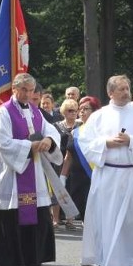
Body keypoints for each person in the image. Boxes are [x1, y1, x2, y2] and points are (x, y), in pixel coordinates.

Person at [0, 73, 62, 266]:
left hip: (33, 173)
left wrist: (49, 141)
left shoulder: (36, 111)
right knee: (10, 221)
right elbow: (3, 143)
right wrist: (30, 146)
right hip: (11, 176)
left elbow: (50, 130)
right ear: (14, 90)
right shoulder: (4, 112)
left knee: (38, 220)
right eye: (23, 89)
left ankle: (33, 262)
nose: (27, 94)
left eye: (31, 90)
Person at [79, 74, 133, 266]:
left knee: (130, 223)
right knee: (107, 221)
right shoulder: (100, 116)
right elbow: (85, 142)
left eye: (127, 88)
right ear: (110, 92)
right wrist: (106, 143)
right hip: (108, 175)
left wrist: (131, 140)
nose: (126, 92)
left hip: (131, 174)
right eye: (121, 89)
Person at [59, 96, 101, 220]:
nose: (81, 111)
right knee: (83, 213)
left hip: (93, 176)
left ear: (95, 112)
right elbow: (69, 156)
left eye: (86, 108)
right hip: (76, 179)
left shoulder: (100, 131)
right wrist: (62, 176)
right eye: (80, 109)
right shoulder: (75, 132)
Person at [54, 98, 79, 230]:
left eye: (75, 110)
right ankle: (56, 219)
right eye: (70, 110)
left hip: (75, 161)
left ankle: (70, 219)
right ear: (64, 112)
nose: (73, 113)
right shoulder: (57, 126)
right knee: (59, 190)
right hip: (59, 160)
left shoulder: (80, 126)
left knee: (71, 190)